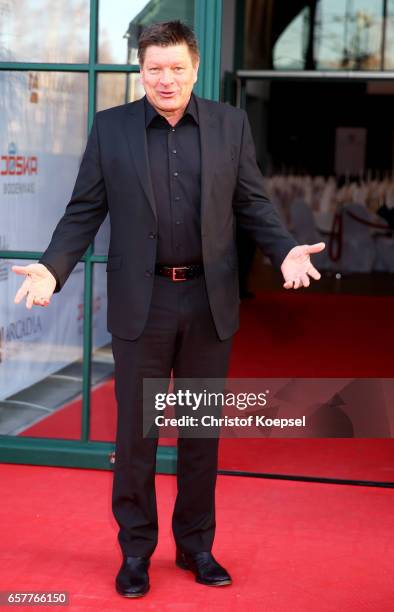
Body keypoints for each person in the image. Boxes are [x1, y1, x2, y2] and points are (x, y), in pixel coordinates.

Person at [12, 21, 325, 599]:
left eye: (176, 67)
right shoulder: (112, 129)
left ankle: (197, 545)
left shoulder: (230, 125)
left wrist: (283, 250)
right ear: (140, 70)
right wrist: (52, 268)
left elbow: (252, 203)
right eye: (154, 68)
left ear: (195, 69)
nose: (166, 78)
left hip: (209, 302)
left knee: (201, 432)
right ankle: (135, 551)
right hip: (143, 303)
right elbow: (84, 210)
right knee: (136, 435)